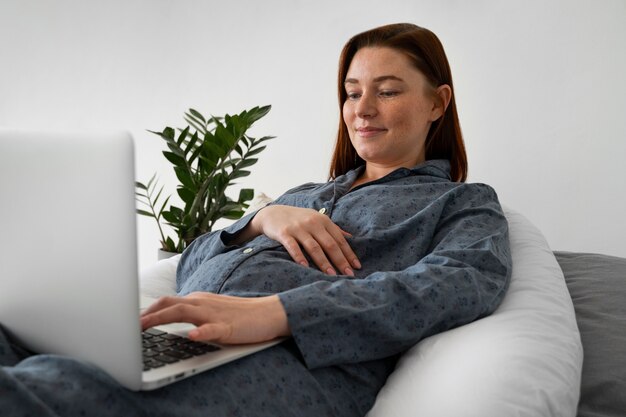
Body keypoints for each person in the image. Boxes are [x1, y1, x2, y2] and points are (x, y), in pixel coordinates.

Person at [0, 23, 511, 417]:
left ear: (437, 103)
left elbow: (459, 285)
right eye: (353, 92)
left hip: (290, 363)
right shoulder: (304, 195)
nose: (362, 110)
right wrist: (260, 220)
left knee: (50, 390)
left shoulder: (461, 203)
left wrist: (278, 312)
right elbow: (189, 264)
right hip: (181, 335)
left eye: (388, 91)